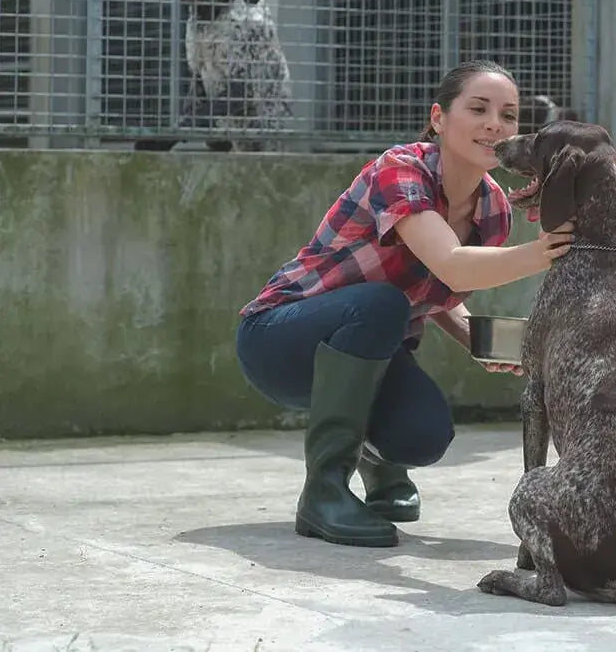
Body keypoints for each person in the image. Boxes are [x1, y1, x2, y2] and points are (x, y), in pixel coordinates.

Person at [234, 59, 573, 548]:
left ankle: (381, 464)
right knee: (380, 305)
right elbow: (453, 264)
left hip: (362, 345)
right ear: (439, 118)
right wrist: (543, 251)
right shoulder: (402, 170)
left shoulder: (494, 209)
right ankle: (323, 492)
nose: (495, 124)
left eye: (509, 115)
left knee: (425, 434)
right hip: (277, 339)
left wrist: (481, 341)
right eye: (478, 109)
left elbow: (437, 293)